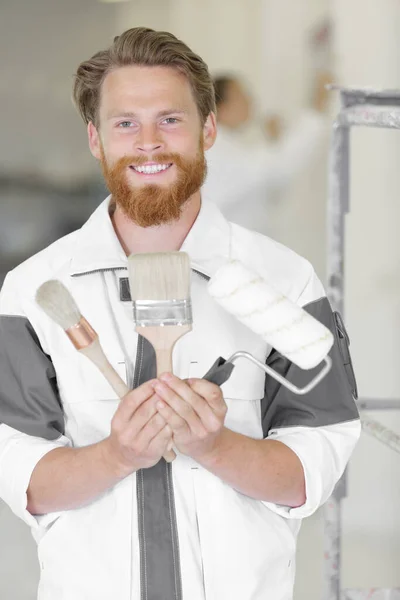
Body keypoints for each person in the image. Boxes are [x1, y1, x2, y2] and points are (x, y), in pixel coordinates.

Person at [0, 27, 360, 600]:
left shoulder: (286, 281)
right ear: (95, 138)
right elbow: (27, 481)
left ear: (208, 129)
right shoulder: (31, 292)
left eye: (170, 119)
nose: (148, 142)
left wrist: (216, 446)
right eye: (125, 123)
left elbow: (312, 469)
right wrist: (116, 454)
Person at [202, 71, 331, 233]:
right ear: (221, 108)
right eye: (242, 96)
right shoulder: (216, 149)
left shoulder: (228, 146)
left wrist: (274, 143)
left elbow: (269, 185)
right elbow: (279, 167)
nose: (250, 102)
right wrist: (317, 107)